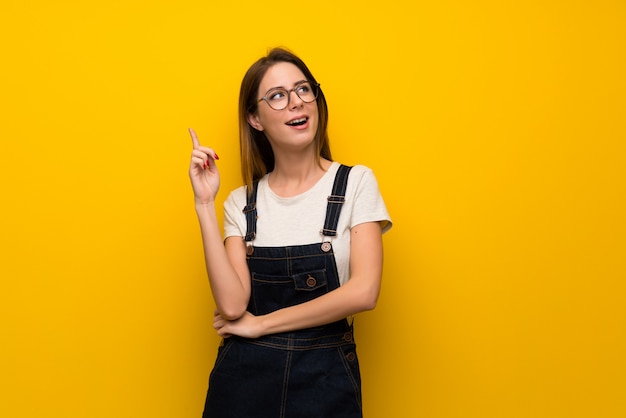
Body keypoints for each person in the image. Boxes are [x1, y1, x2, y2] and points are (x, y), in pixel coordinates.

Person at [188, 47, 392, 418]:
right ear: (255, 118)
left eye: (303, 89)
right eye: (278, 96)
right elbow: (233, 306)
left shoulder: (355, 183)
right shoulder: (241, 203)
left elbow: (364, 292)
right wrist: (204, 204)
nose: (296, 103)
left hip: (326, 382)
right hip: (243, 384)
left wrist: (261, 324)